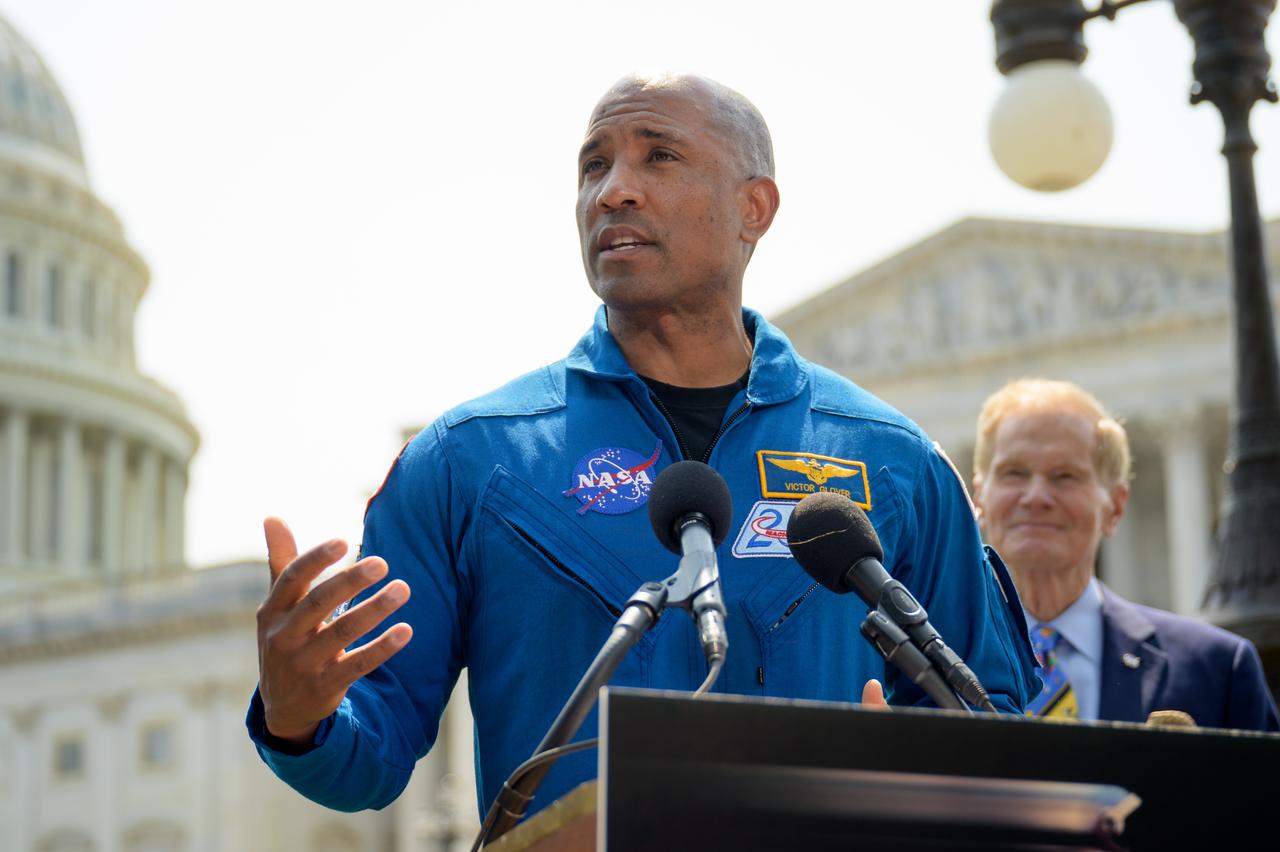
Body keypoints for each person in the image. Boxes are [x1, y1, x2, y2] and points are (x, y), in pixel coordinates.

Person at [247, 73, 1038, 820]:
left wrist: (921, 765)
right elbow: (368, 758)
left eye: (659, 155)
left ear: (753, 208)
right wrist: (298, 715)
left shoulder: (893, 460)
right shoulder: (467, 462)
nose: (612, 189)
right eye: (594, 165)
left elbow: (994, 718)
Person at [971, 377, 1279, 730]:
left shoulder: (1219, 670)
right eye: (1014, 473)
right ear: (979, 498)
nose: (1036, 496)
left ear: (1115, 507)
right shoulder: (924, 663)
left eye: (1065, 476)